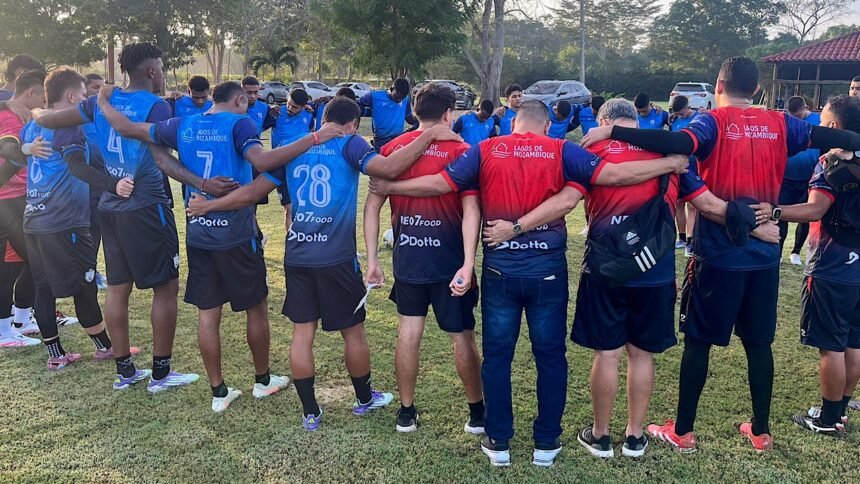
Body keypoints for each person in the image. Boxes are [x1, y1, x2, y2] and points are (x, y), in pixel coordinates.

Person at [370, 100, 689, 467]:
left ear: (513, 123)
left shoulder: (487, 148)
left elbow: (441, 183)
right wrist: (668, 165)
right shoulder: (561, 149)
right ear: (548, 126)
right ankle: (547, 443)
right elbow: (612, 176)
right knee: (550, 356)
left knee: (498, 357)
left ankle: (499, 441)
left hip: (500, 273)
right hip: (548, 273)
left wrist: (394, 185)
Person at [582, 56, 860, 453]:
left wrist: (612, 130)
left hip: (717, 255)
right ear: (758, 89)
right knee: (759, 345)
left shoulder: (712, 122)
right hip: (764, 256)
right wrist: (847, 147)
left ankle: (683, 431)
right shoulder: (782, 123)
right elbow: (846, 138)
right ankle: (761, 431)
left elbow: (678, 145)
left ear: (718, 86)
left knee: (699, 343)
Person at [186, 96, 463, 431]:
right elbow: (389, 169)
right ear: (351, 125)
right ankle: (364, 399)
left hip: (297, 257)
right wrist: (429, 134)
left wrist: (208, 207)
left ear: (321, 120)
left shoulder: (293, 146)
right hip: (337, 259)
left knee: (303, 333)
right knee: (353, 332)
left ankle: (310, 412)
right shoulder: (351, 144)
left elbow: (251, 193)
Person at [95, 81, 337, 411]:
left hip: (198, 233)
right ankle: (262, 380)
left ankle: (218, 392)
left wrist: (103, 102)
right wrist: (314, 137)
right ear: (239, 100)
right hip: (237, 234)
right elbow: (262, 160)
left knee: (208, 314)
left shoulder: (182, 124)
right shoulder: (240, 123)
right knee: (256, 307)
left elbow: (128, 130)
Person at [559, 99, 777, 459]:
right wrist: (756, 227)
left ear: (603, 121)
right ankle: (634, 437)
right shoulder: (671, 156)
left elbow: (568, 198)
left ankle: (600, 435)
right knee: (642, 355)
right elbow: (709, 205)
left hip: (605, 269)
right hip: (655, 272)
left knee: (607, 353)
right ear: (637, 121)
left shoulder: (594, 149)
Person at [25, 43, 237, 392]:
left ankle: (124, 371)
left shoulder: (100, 102)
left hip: (109, 207)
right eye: (162, 68)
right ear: (152, 71)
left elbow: (47, 118)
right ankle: (161, 373)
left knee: (117, 288)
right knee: (165, 287)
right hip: (146, 206)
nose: (163, 74)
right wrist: (202, 183)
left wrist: (35, 110)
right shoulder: (155, 105)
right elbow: (162, 160)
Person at [363, 83, 484, 434]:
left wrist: (373, 259)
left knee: (409, 332)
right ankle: (477, 414)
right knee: (462, 336)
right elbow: (472, 210)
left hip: (409, 259)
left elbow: (372, 207)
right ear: (449, 113)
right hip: (450, 262)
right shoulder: (463, 150)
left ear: (414, 111)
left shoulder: (392, 150)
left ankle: (406, 413)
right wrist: (468, 262)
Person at [0, 67, 135, 368]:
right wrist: (113, 184)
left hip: (34, 220)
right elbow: (77, 167)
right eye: (84, 95)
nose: (85, 100)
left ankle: (56, 355)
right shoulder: (68, 126)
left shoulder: (32, 125)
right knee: (85, 285)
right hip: (64, 221)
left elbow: (14, 159)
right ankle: (105, 347)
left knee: (43, 287)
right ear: (72, 97)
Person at [770, 95, 860, 436]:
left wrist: (774, 211)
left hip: (832, 265)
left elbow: (815, 209)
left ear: (834, 127)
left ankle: (827, 420)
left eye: (822, 123)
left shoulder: (830, 162)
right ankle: (840, 411)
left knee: (831, 345)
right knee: (854, 341)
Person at [0, 71, 46, 347]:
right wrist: (27, 150)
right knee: (18, 264)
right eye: (43, 96)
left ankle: (21, 319)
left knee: (27, 262)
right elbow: (8, 149)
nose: (45, 102)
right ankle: (4, 331)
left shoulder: (18, 112)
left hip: (19, 197)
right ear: (31, 92)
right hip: (7, 201)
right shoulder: (8, 116)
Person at [779, 96, 821, 265]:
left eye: (799, 116)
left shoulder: (818, 120)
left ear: (805, 109)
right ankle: (778, 252)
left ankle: (796, 252)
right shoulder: (784, 121)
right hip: (786, 178)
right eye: (793, 117)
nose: (796, 120)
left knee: (805, 216)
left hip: (808, 178)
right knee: (780, 214)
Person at [83, 73, 108, 289]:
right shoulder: (76, 118)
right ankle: (87, 271)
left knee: (98, 228)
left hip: (102, 183)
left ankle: (93, 270)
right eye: (95, 87)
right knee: (87, 231)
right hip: (83, 184)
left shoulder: (103, 115)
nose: (100, 92)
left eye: (102, 87)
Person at [670, 95, 701, 256]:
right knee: (678, 203)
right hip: (679, 167)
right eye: (677, 114)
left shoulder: (700, 118)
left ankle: (690, 241)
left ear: (688, 107)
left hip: (695, 167)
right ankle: (681, 238)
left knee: (693, 206)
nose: (680, 116)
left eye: (681, 113)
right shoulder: (673, 119)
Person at [358, 78, 417, 151]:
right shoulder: (374, 97)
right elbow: (355, 106)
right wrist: (369, 112)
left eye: (402, 98)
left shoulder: (406, 100)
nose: (399, 100)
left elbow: (408, 117)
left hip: (397, 141)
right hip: (381, 142)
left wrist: (419, 122)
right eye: (397, 97)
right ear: (392, 89)